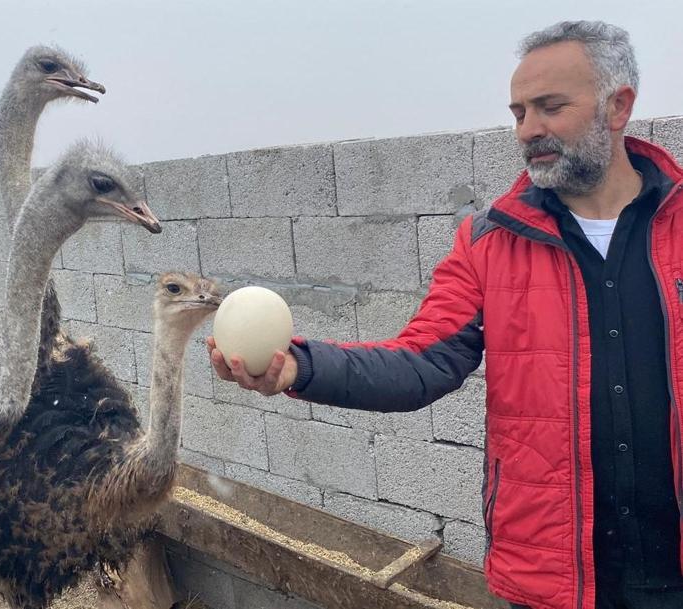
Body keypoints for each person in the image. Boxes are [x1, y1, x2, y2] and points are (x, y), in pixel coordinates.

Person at [208, 21, 683, 609]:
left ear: (618, 105)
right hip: (555, 581)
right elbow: (420, 364)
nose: (528, 129)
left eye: (549, 106)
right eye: (518, 112)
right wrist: (297, 368)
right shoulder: (488, 243)